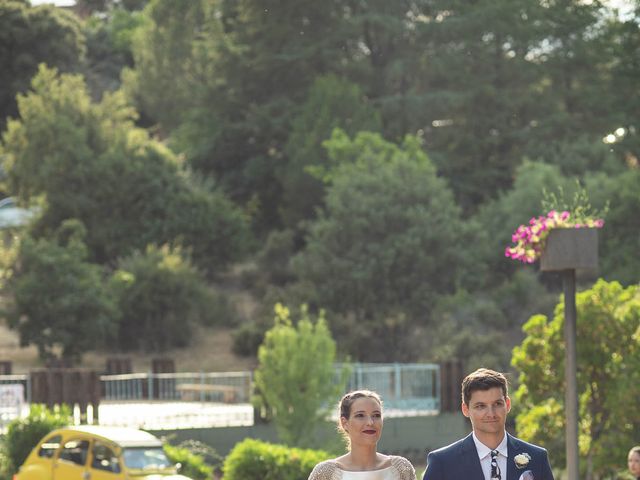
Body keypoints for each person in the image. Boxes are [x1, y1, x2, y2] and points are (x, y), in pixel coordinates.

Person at [423, 368, 554, 480]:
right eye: (481, 406)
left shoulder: (537, 458)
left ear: (507, 405)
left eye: (497, 404)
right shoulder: (442, 462)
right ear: (465, 409)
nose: (491, 413)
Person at [308, 389, 416, 480]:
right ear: (344, 423)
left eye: (376, 415)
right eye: (360, 415)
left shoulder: (401, 469)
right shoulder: (325, 473)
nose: (370, 422)